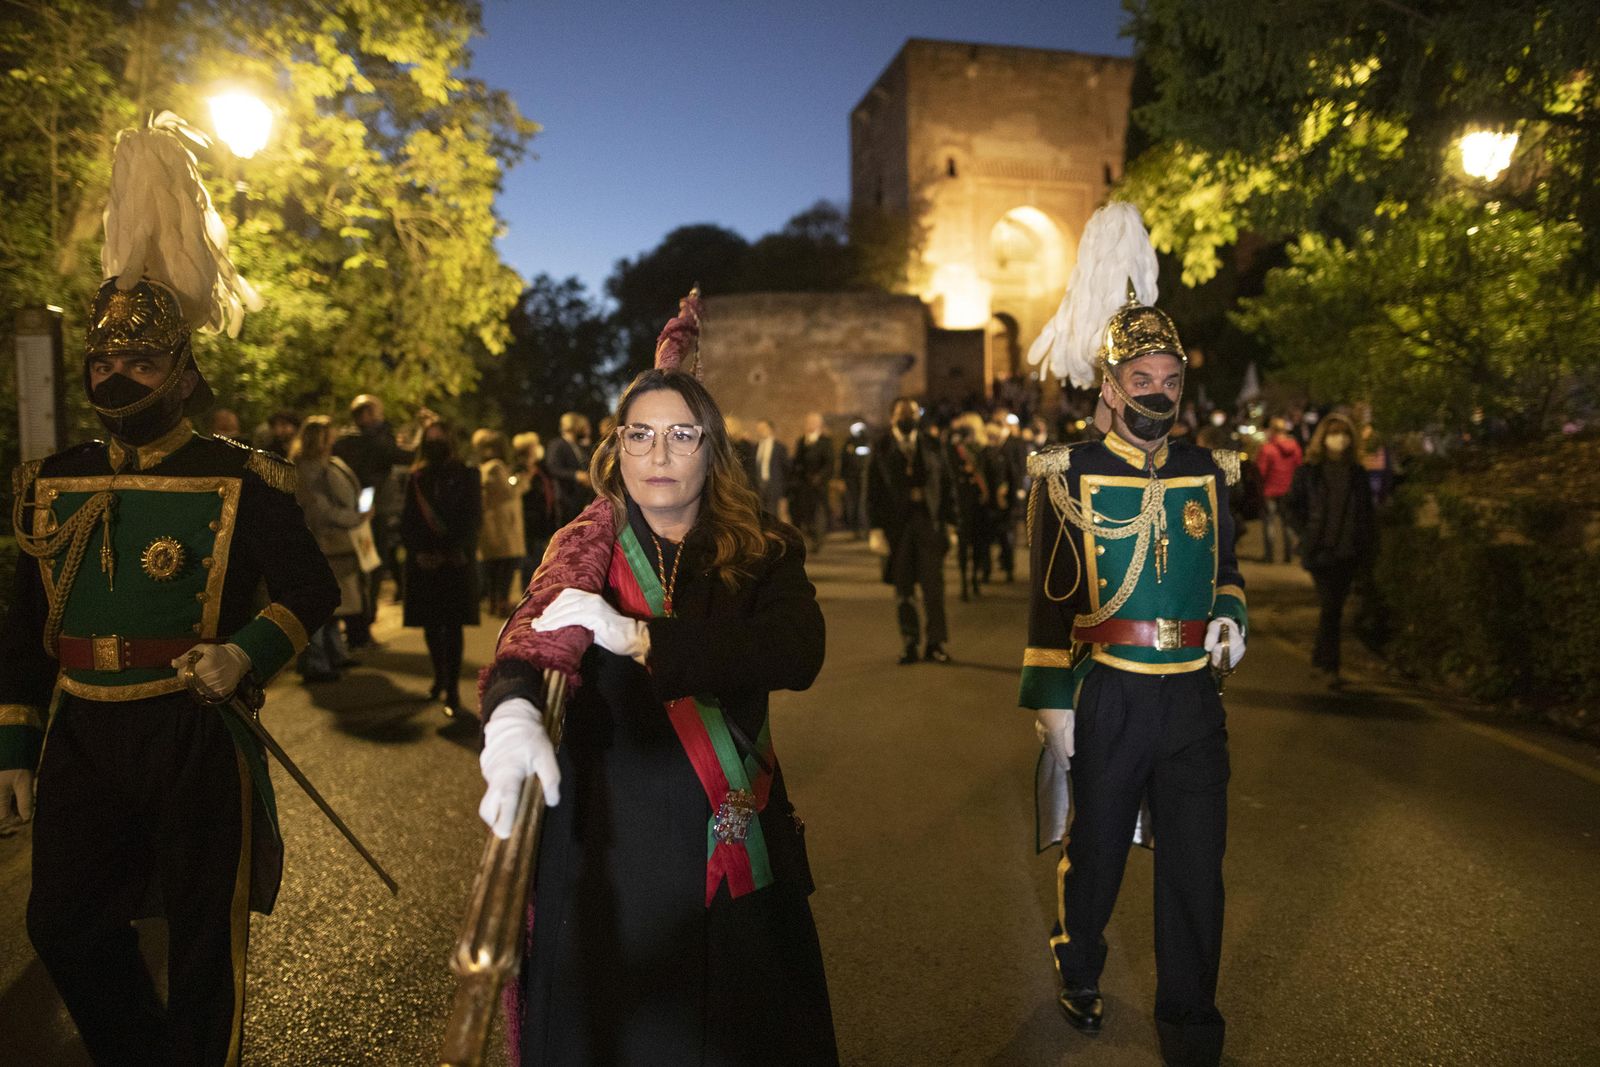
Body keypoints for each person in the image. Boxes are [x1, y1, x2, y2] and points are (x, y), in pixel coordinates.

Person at [0, 114, 338, 1064]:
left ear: (183, 372)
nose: (117, 374)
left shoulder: (243, 476)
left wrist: (243, 652)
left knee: (202, 946)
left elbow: (312, 590)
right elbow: (24, 625)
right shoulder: (50, 479)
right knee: (61, 923)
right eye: (104, 361)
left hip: (193, 727)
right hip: (84, 730)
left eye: (141, 360)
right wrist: (13, 749)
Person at [476, 365, 837, 1066]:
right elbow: (531, 638)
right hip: (609, 845)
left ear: (712, 449)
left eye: (681, 434)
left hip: (724, 838)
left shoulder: (764, 548)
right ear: (618, 448)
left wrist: (642, 637)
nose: (659, 454)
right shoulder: (584, 548)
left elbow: (799, 651)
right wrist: (512, 712)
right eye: (640, 434)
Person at [1021, 202, 1247, 1067]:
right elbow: (1049, 602)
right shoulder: (1064, 472)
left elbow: (1228, 571)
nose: (1159, 392)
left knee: (1196, 872)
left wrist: (1232, 615)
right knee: (1101, 849)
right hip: (1108, 688)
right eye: (1142, 378)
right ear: (1108, 386)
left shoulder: (1207, 469)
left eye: (1171, 379)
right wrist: (1050, 699)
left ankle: (1192, 1028)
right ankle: (1079, 961)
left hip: (1193, 694)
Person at [1286, 413, 1377, 686]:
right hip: (1320, 551)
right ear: (1323, 438)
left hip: (1348, 551)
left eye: (1344, 433)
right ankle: (1331, 668)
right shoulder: (1310, 471)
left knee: (1333, 609)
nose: (1340, 438)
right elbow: (1292, 505)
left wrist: (1369, 547)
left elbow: (1366, 513)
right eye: (1334, 432)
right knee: (1331, 607)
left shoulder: (1357, 473)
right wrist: (1305, 533)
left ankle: (1321, 660)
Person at [867, 398, 956, 664]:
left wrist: (951, 524)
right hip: (898, 528)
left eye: (913, 413)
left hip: (928, 524)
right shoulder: (881, 447)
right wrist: (875, 529)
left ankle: (935, 643)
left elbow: (947, 485)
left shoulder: (931, 445)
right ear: (893, 417)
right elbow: (871, 491)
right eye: (903, 414)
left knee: (933, 588)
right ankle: (909, 641)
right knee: (903, 588)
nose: (908, 418)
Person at [401, 420, 481, 716]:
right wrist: (419, 552)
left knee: (453, 625)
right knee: (431, 625)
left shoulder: (467, 475)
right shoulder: (417, 477)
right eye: (430, 438)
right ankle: (439, 676)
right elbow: (409, 519)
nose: (435, 443)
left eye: (440, 437)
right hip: (424, 562)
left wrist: (451, 550)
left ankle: (452, 688)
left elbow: (472, 517)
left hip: (455, 561)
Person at [333, 394, 415, 648]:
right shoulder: (374, 442)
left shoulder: (345, 441)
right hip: (369, 512)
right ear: (368, 414)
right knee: (371, 567)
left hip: (354, 510)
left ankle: (357, 627)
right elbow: (406, 457)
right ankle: (363, 627)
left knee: (360, 569)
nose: (381, 416)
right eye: (378, 411)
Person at [293, 415, 369, 682]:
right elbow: (318, 509)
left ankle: (335, 653)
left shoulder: (327, 464)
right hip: (321, 542)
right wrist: (355, 518)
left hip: (334, 542)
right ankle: (316, 662)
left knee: (334, 601)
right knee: (320, 602)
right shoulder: (307, 469)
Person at [473, 428, 527, 617]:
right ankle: (500, 602)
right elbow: (509, 491)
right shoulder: (495, 467)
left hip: (494, 524)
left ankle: (495, 601)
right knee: (505, 565)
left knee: (494, 567)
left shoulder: (482, 468)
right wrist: (520, 480)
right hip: (502, 524)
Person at [946, 413, 993, 601]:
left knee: (979, 543)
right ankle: (966, 581)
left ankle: (974, 577)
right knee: (965, 544)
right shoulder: (955, 449)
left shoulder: (982, 449)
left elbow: (987, 472)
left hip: (978, 502)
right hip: (963, 501)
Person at [513, 430, 563, 592]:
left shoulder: (540, 469)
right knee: (529, 562)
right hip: (529, 523)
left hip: (542, 522)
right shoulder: (520, 470)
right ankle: (527, 596)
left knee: (539, 561)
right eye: (534, 446)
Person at [1257, 417, 1303, 563]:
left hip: (1270, 490)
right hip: (1288, 490)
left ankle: (1270, 556)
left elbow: (1261, 471)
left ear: (1272, 430)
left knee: (1269, 523)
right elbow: (1299, 467)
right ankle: (1288, 555)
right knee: (1287, 523)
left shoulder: (1267, 449)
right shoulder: (1295, 447)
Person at [790, 412, 834, 552]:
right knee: (805, 514)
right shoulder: (802, 441)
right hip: (804, 485)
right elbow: (797, 461)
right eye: (808, 422)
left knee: (818, 514)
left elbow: (829, 463)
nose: (810, 425)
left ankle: (818, 540)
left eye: (813, 422)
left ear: (819, 425)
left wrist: (820, 477)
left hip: (819, 485)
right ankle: (810, 535)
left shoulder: (825, 441)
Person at [545, 411, 595, 524]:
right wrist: (576, 475)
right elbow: (553, 468)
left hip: (581, 500)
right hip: (566, 500)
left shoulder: (578, 446)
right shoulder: (557, 444)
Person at [752, 417, 789, 519]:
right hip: (758, 485)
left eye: (763, 428)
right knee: (760, 513)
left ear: (770, 429)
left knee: (772, 513)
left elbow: (785, 469)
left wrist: (784, 489)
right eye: (758, 429)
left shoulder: (780, 447)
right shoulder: (755, 447)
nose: (760, 431)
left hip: (773, 485)